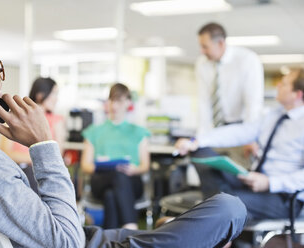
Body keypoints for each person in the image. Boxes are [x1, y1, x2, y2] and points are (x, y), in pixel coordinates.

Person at [0, 30, 246, 248]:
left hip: (88, 236)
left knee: (200, 221)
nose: (3, 79)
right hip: (79, 241)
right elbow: (66, 242)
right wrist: (44, 145)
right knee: (229, 209)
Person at [175, 68, 304, 221]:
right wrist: (195, 141)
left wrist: (270, 183)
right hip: (253, 179)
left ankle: (221, 214)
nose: (278, 86)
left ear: (298, 94)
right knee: (201, 151)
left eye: (283, 84)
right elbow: (241, 132)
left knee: (222, 203)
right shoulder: (274, 115)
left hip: (283, 196)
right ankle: (225, 213)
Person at [184, 22, 265, 165]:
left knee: (239, 178)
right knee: (211, 175)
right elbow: (204, 102)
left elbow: (253, 103)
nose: (201, 51)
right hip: (215, 132)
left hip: (240, 129)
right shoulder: (202, 63)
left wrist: (249, 137)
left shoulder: (247, 60)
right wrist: (200, 139)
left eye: (205, 46)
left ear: (220, 43)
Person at [81, 83, 150, 230]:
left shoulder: (139, 132)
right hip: (101, 180)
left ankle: (108, 241)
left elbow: (145, 165)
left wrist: (134, 170)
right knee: (117, 176)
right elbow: (85, 165)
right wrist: (103, 166)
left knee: (111, 194)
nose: (115, 105)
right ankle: (131, 230)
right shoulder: (93, 132)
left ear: (128, 103)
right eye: (112, 100)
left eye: (119, 100)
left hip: (131, 181)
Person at [0, 77, 66, 192]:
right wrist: (38, 157)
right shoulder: (17, 116)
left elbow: (56, 155)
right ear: (40, 95)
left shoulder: (56, 121)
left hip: (36, 173)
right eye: (54, 93)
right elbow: (5, 153)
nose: (57, 99)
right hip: (15, 170)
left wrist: (28, 159)